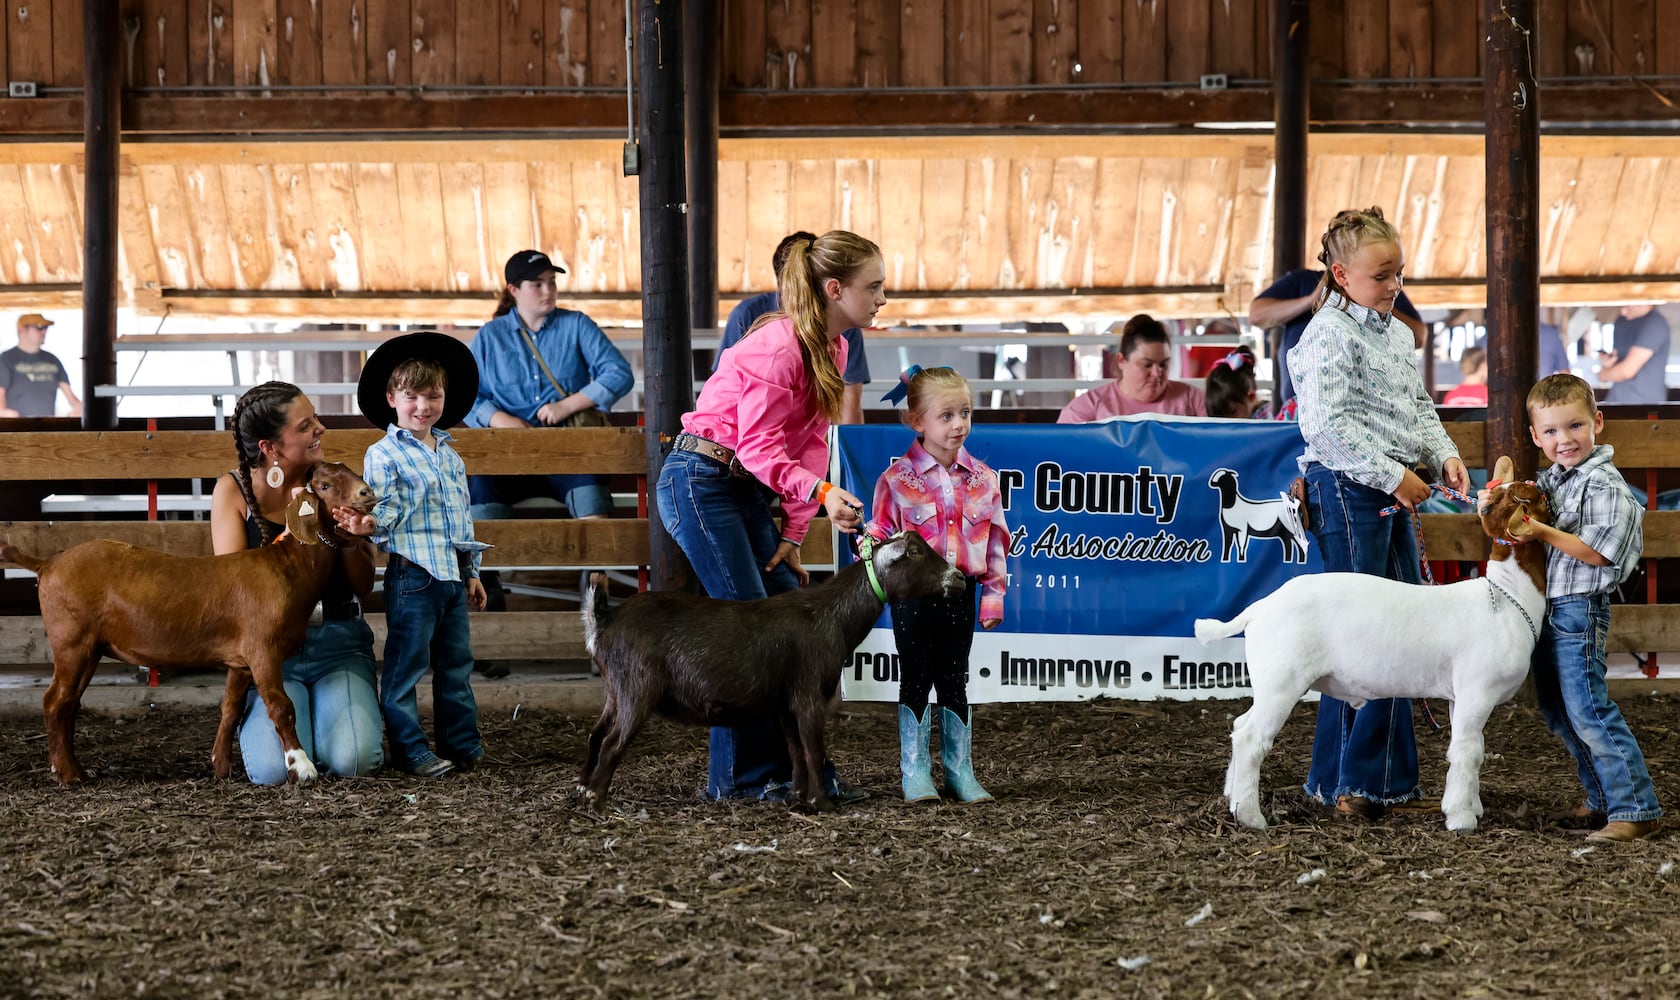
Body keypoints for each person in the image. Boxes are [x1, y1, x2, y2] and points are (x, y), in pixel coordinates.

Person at [655, 229, 878, 804]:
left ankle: (795, 772)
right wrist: (822, 493)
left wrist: (796, 530)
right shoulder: (780, 347)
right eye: (873, 287)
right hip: (702, 481)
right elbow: (758, 447)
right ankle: (744, 779)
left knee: (790, 617)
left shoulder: (833, 347)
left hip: (741, 489)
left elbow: (807, 442)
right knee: (751, 630)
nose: (882, 298)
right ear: (835, 289)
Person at [1291, 206, 1469, 820]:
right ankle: (1358, 784)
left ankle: (1370, 783)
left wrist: (1442, 453)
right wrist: (1394, 474)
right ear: (1341, 274)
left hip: (1386, 486)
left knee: (1401, 629)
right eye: (1380, 276)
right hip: (1348, 490)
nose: (1394, 286)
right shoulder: (1323, 336)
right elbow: (1325, 426)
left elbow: (1418, 407)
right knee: (1363, 635)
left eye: (1398, 274)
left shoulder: (1393, 333)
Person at [1485, 373, 1660, 841]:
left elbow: (1598, 552)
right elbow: (1519, 505)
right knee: (1557, 709)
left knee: (1588, 708)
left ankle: (1635, 808)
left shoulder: (1606, 485)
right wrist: (1497, 502)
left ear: (1597, 422)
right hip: (1549, 610)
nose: (1565, 439)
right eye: (1553, 431)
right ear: (1536, 437)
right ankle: (1602, 799)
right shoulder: (1551, 481)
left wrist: (1539, 532)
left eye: (1575, 426)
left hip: (1580, 609)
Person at [209, 382, 384, 785]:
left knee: (354, 761)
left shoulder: (333, 480)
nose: (320, 428)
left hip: (337, 641)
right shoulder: (232, 491)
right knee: (271, 771)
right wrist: (301, 518)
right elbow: (236, 592)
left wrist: (348, 538)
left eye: (316, 418)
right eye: (306, 426)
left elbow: (362, 587)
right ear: (270, 447)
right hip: (271, 653)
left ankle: (333, 720)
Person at [865, 365, 1008, 804]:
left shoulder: (984, 480)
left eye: (964, 412)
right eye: (946, 415)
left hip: (960, 593)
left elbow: (997, 541)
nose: (959, 424)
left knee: (954, 678)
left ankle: (959, 771)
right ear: (917, 422)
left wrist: (994, 597)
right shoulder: (895, 482)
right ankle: (915, 772)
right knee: (914, 676)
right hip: (913, 598)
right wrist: (867, 544)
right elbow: (880, 543)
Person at [350, 333, 488, 779]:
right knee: (407, 666)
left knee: (456, 665)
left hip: (450, 574)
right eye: (412, 396)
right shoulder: (382, 453)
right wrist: (370, 524)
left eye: (433, 396)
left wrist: (472, 571)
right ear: (392, 398)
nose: (423, 407)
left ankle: (463, 745)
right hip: (412, 575)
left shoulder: (449, 453)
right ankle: (411, 750)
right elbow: (382, 509)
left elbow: (461, 519)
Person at [465, 250, 635, 520]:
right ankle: (486, 563)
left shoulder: (577, 324)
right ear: (514, 290)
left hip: (570, 451)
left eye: (552, 282)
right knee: (480, 502)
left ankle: (595, 564)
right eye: (537, 284)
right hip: (508, 455)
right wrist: (500, 419)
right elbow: (468, 395)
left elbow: (619, 373)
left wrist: (566, 406)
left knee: (592, 500)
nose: (548, 290)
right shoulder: (489, 336)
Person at [720, 230, 871, 424]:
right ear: (782, 282)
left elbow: (849, 400)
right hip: (743, 438)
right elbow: (729, 391)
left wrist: (847, 452)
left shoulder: (844, 328)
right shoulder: (748, 315)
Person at [1250, 266, 1426, 408]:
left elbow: (1418, 336)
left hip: (1366, 407)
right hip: (1301, 406)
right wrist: (1313, 299)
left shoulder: (1385, 289)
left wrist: (1374, 300)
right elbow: (1257, 314)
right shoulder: (1303, 280)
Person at [1056, 314, 1207, 422]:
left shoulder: (1192, 399)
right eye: (1147, 365)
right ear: (1121, 360)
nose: (1156, 373)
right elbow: (1060, 452)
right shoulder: (1087, 408)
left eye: (1163, 364)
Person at [0, 313, 81, 418]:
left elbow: (71, 398)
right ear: (22, 330)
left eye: (46, 328)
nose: (44, 332)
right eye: (39, 327)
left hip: (46, 428)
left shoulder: (53, 360)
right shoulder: (6, 359)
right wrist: (3, 413)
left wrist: (79, 408)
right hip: (18, 428)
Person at [1599, 303, 1672, 405]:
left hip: (1645, 406)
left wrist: (1604, 374)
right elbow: (1618, 364)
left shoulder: (1655, 323)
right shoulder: (1621, 321)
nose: (1623, 311)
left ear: (1641, 303)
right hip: (1616, 401)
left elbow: (1627, 371)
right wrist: (1608, 365)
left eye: (1627, 306)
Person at [1204, 347, 1261, 418]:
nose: (1226, 421)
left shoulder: (1266, 421)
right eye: (1219, 416)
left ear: (1251, 397)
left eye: (1232, 412)